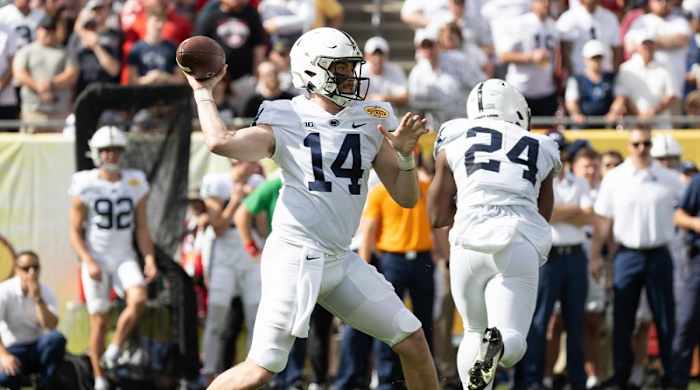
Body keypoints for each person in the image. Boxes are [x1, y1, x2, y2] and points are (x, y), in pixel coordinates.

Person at [183, 26, 440, 390]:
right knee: (260, 369)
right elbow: (220, 142)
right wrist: (203, 92)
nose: (351, 76)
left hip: (340, 257)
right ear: (312, 72)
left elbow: (407, 197)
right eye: (341, 69)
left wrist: (404, 154)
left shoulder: (370, 117)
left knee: (413, 341)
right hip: (295, 255)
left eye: (352, 67)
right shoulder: (285, 115)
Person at [428, 79, 560, 390]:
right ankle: (499, 345)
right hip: (516, 239)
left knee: (473, 331)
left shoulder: (454, 141)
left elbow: (437, 216)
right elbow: (543, 215)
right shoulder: (542, 146)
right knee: (511, 340)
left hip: (466, 243)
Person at [589, 127, 683, 389]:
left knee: (665, 319)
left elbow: (687, 207)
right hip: (627, 254)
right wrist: (595, 256)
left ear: (651, 146)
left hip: (659, 253)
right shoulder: (615, 178)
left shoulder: (668, 178)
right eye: (637, 144)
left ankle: (672, 376)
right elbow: (604, 220)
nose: (642, 148)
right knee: (623, 320)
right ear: (629, 146)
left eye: (646, 144)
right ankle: (622, 375)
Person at [68, 126, 158, 390]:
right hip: (96, 255)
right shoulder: (85, 182)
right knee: (99, 318)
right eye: (106, 150)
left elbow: (142, 227)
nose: (110, 155)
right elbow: (74, 231)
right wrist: (88, 259)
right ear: (96, 153)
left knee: (139, 298)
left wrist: (149, 258)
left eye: (115, 150)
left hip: (124, 255)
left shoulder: (135, 181)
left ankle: (116, 346)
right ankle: (99, 376)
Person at [518, 130, 592, 390]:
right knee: (539, 321)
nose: (560, 154)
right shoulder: (536, 179)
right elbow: (543, 215)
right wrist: (574, 211)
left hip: (574, 256)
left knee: (575, 321)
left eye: (562, 149)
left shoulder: (578, 181)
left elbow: (587, 216)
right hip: (547, 257)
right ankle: (533, 379)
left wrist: (560, 212)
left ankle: (577, 380)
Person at [360, 148, 436, 390]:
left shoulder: (425, 187)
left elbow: (436, 227)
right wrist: (364, 263)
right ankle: (386, 380)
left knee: (424, 324)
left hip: (423, 259)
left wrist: (444, 258)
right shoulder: (380, 191)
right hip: (393, 260)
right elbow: (369, 230)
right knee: (388, 323)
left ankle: (423, 381)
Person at [199, 159, 263, 383]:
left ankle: (254, 369)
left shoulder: (257, 182)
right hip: (224, 252)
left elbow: (263, 228)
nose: (252, 166)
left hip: (250, 249)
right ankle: (208, 368)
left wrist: (253, 201)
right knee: (217, 312)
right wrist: (236, 200)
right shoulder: (216, 183)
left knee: (257, 313)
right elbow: (218, 227)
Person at [0, 250, 66, 390]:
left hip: (38, 346)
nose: (31, 272)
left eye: (35, 267)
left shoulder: (46, 292)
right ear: (17, 270)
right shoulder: (4, 291)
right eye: (26, 268)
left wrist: (37, 299)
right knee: (5, 377)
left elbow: (51, 326)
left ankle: (45, 384)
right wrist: (4, 355)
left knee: (57, 339)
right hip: (13, 349)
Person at [12, 14, 79, 132]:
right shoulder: (27, 51)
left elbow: (72, 73)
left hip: (58, 113)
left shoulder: (65, 52)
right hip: (33, 111)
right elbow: (19, 73)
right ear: (38, 30)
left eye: (52, 30)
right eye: (46, 29)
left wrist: (51, 84)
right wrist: (38, 86)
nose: (49, 33)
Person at [496, 0, 560, 117]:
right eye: (542, 1)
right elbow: (503, 55)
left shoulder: (553, 25)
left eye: (548, 1)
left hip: (546, 90)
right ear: (533, 3)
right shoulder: (520, 23)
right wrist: (530, 57)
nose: (546, 4)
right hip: (521, 89)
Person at [565, 40, 625, 128]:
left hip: (607, 125)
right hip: (583, 126)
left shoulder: (611, 78)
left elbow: (620, 98)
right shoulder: (576, 79)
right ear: (585, 59)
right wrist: (576, 114)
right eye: (593, 58)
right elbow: (571, 101)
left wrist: (613, 112)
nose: (596, 61)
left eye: (599, 58)